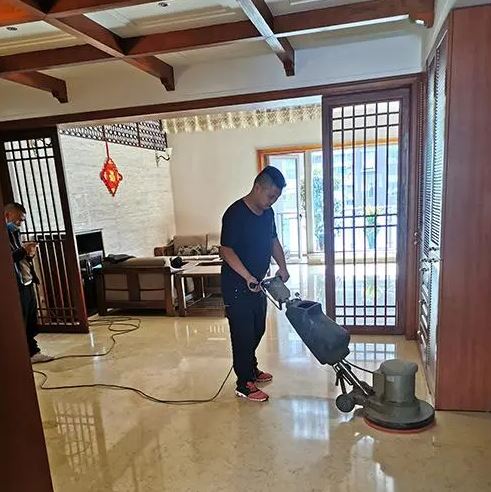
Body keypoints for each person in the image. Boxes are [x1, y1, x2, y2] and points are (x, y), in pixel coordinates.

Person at [220, 166, 290, 402]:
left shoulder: (268, 214)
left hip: (258, 284)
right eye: (271, 196)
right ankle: (244, 383)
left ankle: (251, 368)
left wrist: (283, 266)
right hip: (237, 285)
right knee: (242, 334)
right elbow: (226, 250)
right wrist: (247, 276)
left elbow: (273, 241)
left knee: (258, 328)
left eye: (276, 198)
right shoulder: (235, 214)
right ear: (258, 187)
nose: (272, 201)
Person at [4, 202, 53, 363]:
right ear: (7, 215)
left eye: (22, 221)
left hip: (27, 281)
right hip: (16, 285)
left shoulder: (15, 233)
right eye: (18, 220)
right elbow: (7, 259)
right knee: (21, 321)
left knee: (31, 319)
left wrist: (29, 253)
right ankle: (27, 354)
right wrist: (23, 251)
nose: (20, 224)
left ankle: (33, 352)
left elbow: (20, 257)